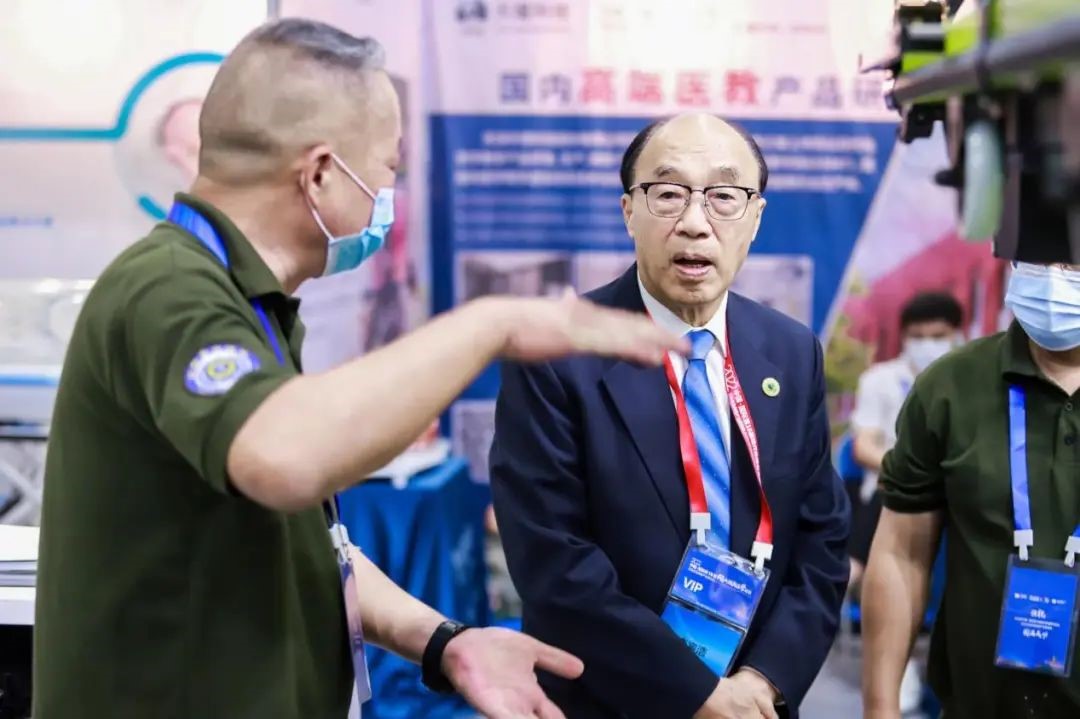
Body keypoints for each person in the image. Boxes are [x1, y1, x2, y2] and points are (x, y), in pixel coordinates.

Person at [32, 19, 688, 719]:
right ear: (320, 174)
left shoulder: (245, 303)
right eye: (388, 168)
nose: (387, 193)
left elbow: (311, 541)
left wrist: (444, 643)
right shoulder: (171, 289)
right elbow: (284, 459)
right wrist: (491, 324)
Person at [489, 112, 851, 719]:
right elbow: (555, 564)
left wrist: (763, 681)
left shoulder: (791, 352)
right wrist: (698, 695)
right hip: (609, 703)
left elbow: (822, 540)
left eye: (724, 197)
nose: (695, 222)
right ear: (629, 211)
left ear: (756, 218)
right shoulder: (558, 351)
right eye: (668, 193)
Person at [862, 261, 1080, 718]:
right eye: (1041, 257)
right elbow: (901, 553)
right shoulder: (950, 386)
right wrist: (881, 709)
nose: (1056, 275)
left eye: (1072, 261)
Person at [848, 291, 964, 585]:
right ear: (904, 337)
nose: (928, 345)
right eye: (918, 337)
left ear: (956, 334)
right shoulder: (879, 379)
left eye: (938, 336)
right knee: (893, 493)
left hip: (958, 488)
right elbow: (863, 448)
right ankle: (847, 584)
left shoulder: (973, 380)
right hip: (894, 484)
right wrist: (912, 472)